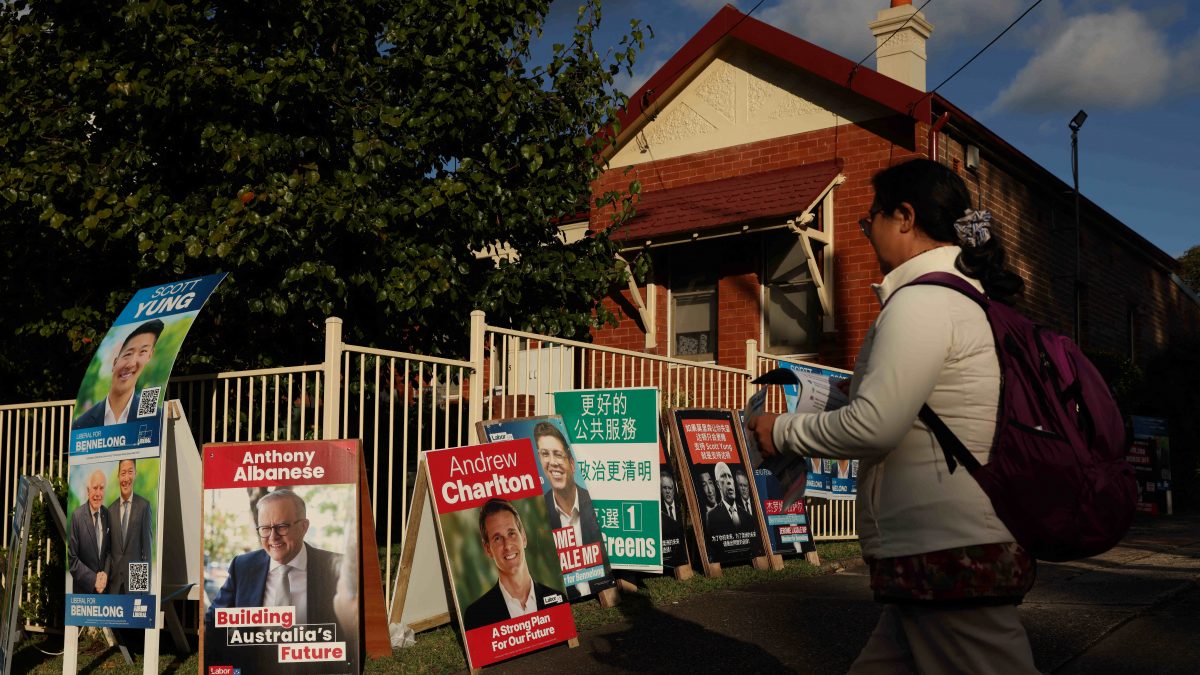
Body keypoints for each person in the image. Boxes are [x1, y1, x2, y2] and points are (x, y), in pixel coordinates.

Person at [748, 159, 1038, 674]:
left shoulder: (921, 303)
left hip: (947, 548)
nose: (867, 234)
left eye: (869, 221)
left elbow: (876, 426)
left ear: (904, 217)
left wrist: (782, 430)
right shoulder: (962, 300)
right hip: (945, 548)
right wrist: (853, 390)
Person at [205, 489, 344, 628]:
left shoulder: (337, 568)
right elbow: (213, 621)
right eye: (265, 528)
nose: (273, 537)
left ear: (303, 527)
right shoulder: (242, 567)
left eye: (282, 527)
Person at [533, 421, 609, 600]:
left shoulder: (593, 504)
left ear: (572, 464)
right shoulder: (539, 515)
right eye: (545, 454)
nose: (552, 462)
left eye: (558, 455)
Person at [463, 499, 565, 631]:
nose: (507, 545)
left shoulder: (558, 601)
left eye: (511, 533)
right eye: (497, 538)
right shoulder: (476, 616)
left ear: (523, 538)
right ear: (488, 549)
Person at [73, 319, 164, 429]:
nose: (131, 364)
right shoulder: (81, 424)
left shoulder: (156, 419)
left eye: (143, 352)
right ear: (114, 362)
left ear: (150, 355)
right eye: (128, 354)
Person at [108, 459, 153, 594]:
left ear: (135, 474)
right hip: (114, 585)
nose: (126, 478)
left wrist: (144, 592)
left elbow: (147, 552)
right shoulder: (110, 510)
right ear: (118, 476)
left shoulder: (144, 507)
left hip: (135, 585)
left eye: (130, 472)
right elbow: (109, 552)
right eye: (123, 473)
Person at [68, 469, 111, 594]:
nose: (98, 493)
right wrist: (94, 580)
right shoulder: (77, 516)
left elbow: (108, 551)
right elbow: (73, 560)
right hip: (84, 593)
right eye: (95, 488)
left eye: (101, 488)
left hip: (104, 591)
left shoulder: (107, 514)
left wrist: (105, 575)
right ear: (88, 491)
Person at [704, 462, 749, 537]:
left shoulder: (747, 516)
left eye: (730, 476)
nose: (728, 481)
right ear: (718, 484)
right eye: (723, 476)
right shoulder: (711, 516)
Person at [659, 472, 685, 565]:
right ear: (661, 490)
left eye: (670, 488)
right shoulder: (659, 511)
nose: (667, 491)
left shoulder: (679, 508)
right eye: (664, 488)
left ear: (674, 490)